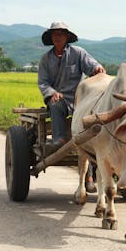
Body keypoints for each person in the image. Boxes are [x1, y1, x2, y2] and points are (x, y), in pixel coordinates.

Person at [38, 21, 104, 192]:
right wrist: (52, 92)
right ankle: (59, 139)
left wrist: (96, 68)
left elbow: (92, 65)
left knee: (85, 137)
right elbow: (43, 82)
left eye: (61, 33)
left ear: (67, 36)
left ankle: (89, 177)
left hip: (80, 99)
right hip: (59, 99)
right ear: (51, 37)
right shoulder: (46, 59)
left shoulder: (78, 53)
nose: (58, 36)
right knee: (56, 105)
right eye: (55, 34)